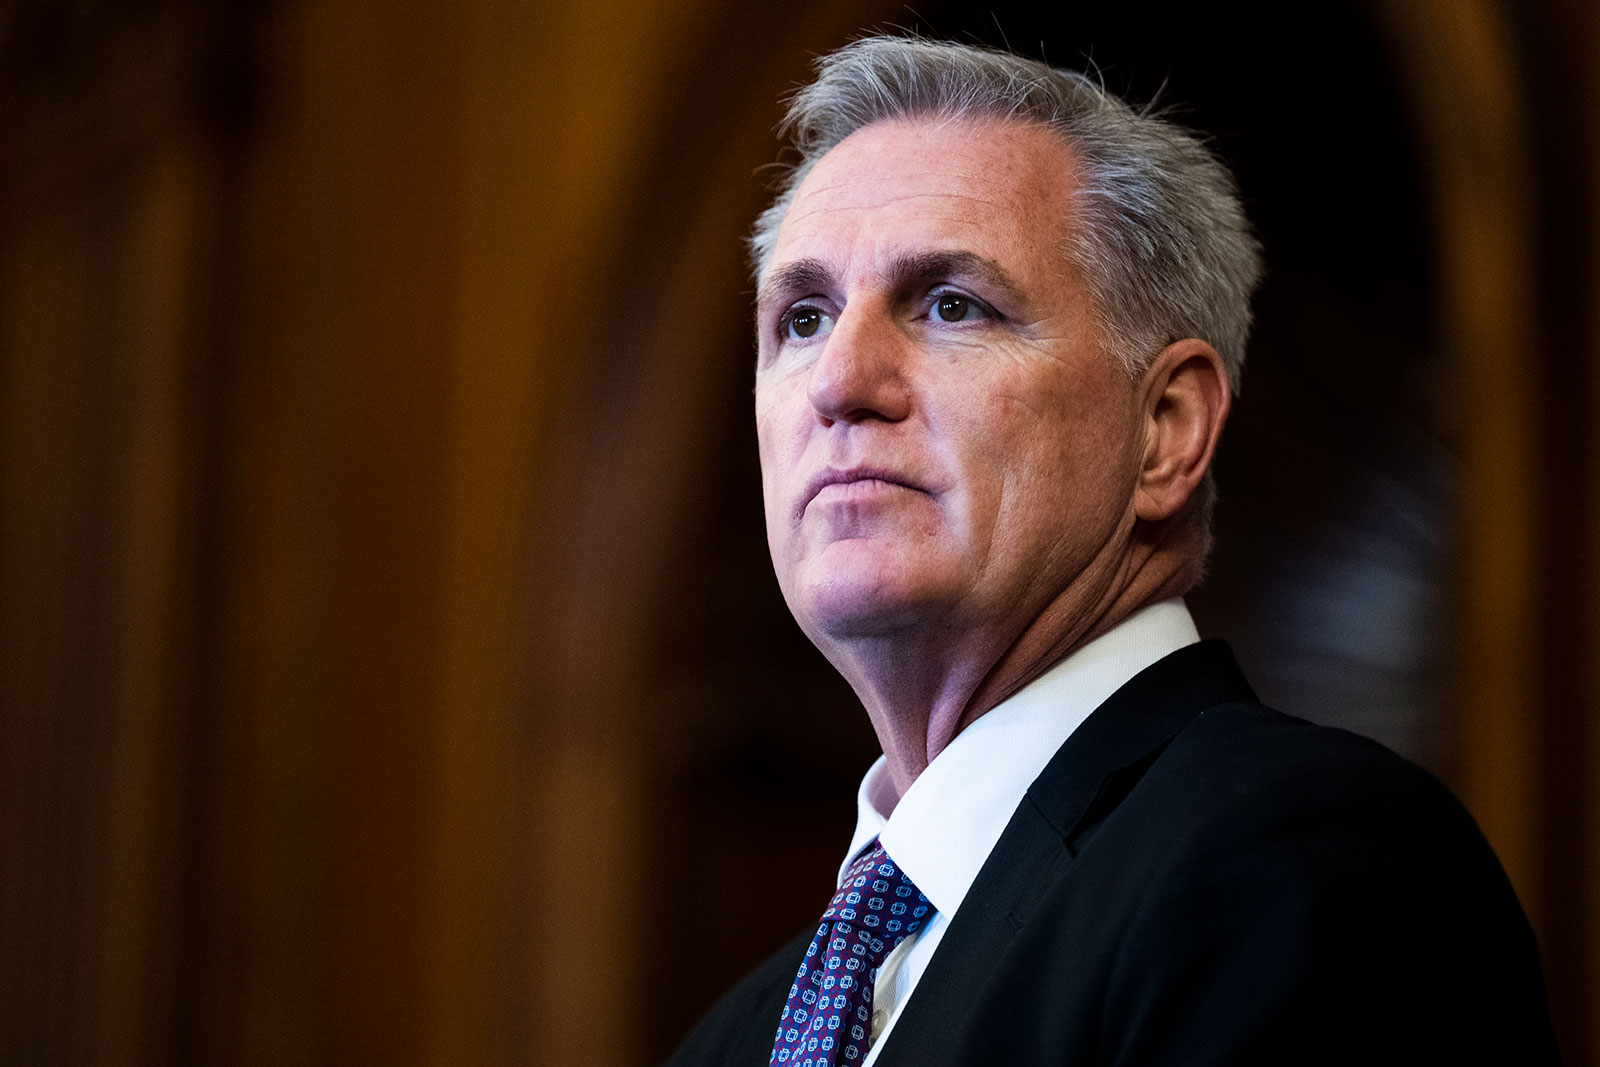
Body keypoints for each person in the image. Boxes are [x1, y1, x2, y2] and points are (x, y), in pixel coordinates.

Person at [669, 35, 1558, 1066]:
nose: (838, 381)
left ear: (1166, 429)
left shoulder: (1300, 866)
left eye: (951, 304)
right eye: (804, 316)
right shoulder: (734, 1039)